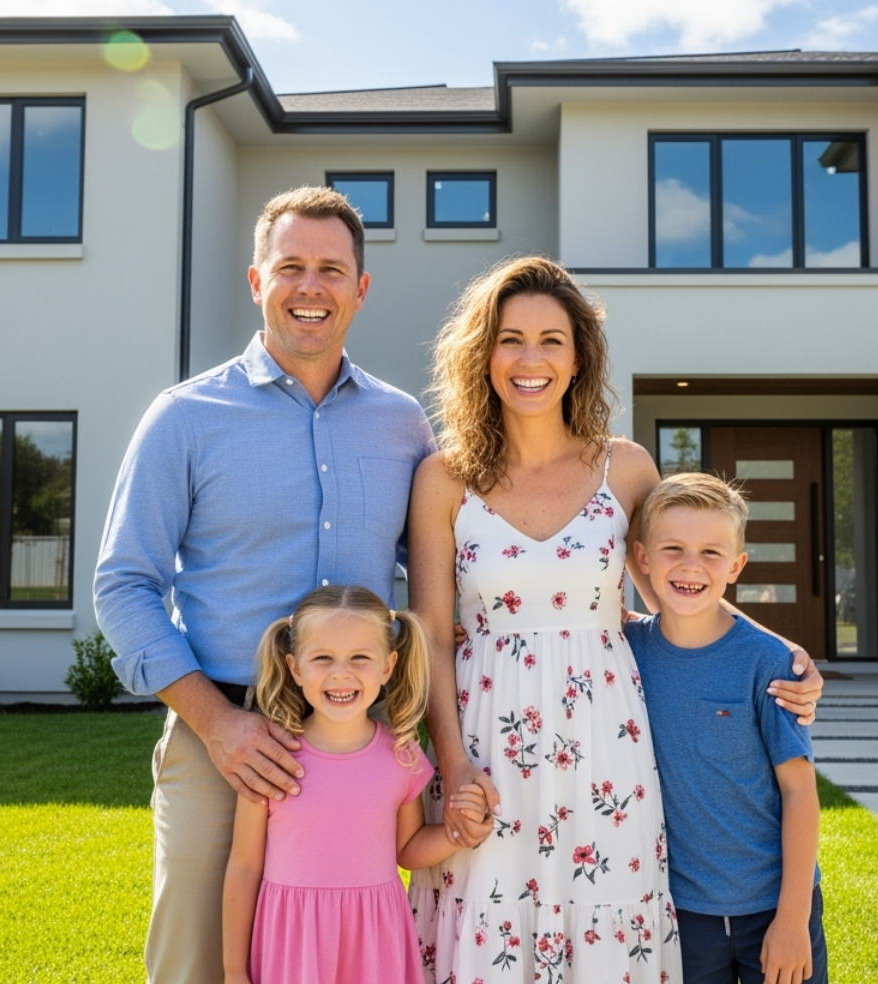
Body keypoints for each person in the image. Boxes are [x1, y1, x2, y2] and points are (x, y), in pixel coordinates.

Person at [406, 257, 824, 983]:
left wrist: (778, 648)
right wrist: (454, 762)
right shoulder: (444, 477)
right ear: (483, 353)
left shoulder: (625, 468)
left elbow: (681, 580)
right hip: (486, 741)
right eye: (510, 339)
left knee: (605, 915)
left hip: (606, 741)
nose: (530, 359)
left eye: (551, 341)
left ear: (578, 358)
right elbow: (433, 634)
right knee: (488, 916)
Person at [93, 186, 436, 984]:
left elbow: (436, 588)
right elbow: (124, 585)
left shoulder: (402, 424)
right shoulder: (183, 418)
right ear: (256, 281)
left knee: (355, 954)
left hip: (364, 742)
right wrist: (217, 725)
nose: (310, 287)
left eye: (331, 269)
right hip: (225, 739)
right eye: (290, 267)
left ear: (361, 287)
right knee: (197, 963)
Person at [222, 586, 493, 984]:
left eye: (360, 658)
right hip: (294, 944)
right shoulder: (271, 759)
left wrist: (458, 834)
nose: (341, 673)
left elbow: (407, 849)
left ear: (388, 666)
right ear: (295, 668)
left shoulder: (401, 755)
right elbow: (244, 867)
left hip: (373, 942)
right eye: (322, 658)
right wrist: (233, 971)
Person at [624, 473, 825, 984]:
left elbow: (800, 791)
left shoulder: (769, 661)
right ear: (643, 559)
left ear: (736, 566)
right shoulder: (623, 652)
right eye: (673, 548)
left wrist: (793, 919)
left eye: (711, 553)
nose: (691, 566)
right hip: (682, 912)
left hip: (772, 907)